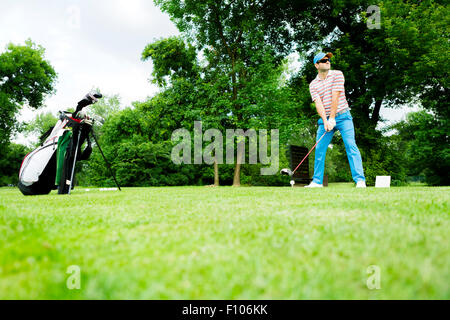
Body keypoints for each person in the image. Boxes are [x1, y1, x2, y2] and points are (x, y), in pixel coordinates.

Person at [306, 52, 366, 188]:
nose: (327, 61)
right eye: (323, 60)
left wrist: (332, 118)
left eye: (328, 59)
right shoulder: (313, 84)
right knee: (320, 148)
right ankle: (317, 182)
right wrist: (326, 121)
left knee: (351, 145)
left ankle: (360, 180)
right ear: (316, 65)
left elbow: (336, 96)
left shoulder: (337, 74)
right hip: (325, 119)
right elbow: (318, 104)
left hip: (343, 116)